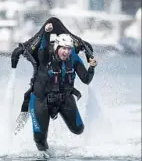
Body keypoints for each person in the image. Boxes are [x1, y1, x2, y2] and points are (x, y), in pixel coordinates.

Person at [12, 20, 97, 152]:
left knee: (78, 129)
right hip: (41, 99)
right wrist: (46, 32)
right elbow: (44, 46)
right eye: (63, 48)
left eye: (69, 49)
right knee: (40, 139)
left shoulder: (73, 58)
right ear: (57, 48)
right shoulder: (46, 56)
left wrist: (91, 67)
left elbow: (86, 79)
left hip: (65, 99)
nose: (66, 52)